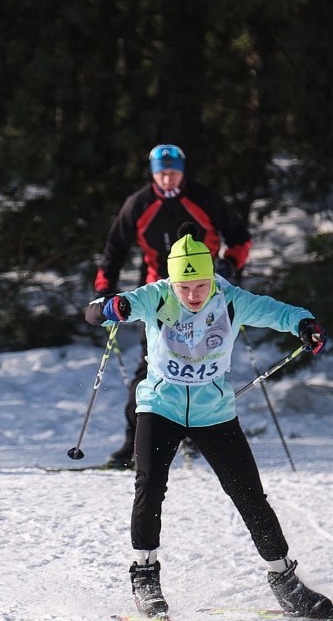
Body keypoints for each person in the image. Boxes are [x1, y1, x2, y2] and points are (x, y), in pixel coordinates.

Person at [85, 233, 333, 619]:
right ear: (173, 282)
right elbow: (118, 306)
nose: (193, 295)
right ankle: (146, 578)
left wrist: (304, 323)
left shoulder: (229, 298)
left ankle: (286, 583)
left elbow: (278, 312)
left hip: (213, 411)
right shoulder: (159, 295)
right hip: (160, 405)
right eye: (185, 287)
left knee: (249, 495)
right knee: (149, 485)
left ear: (212, 278)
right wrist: (111, 307)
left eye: (201, 285)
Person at [94, 144, 251, 467]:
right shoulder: (139, 204)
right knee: (152, 367)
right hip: (161, 297)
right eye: (162, 173)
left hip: (207, 294)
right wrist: (105, 289)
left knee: (204, 361)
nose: (168, 179)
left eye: (174, 172)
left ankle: (197, 437)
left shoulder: (204, 199)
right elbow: (114, 249)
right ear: (153, 174)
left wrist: (228, 266)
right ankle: (133, 446)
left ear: (183, 171)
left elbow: (239, 237)